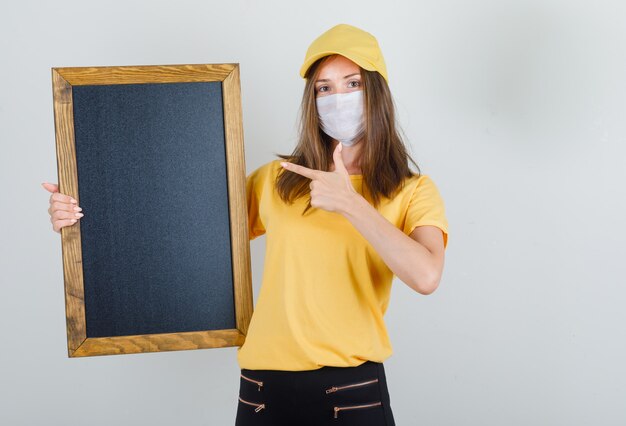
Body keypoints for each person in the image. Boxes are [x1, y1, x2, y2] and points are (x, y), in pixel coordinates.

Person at [42, 23, 448, 426]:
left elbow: (426, 275)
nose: (336, 98)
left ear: (376, 91)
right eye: (323, 88)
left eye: (352, 83)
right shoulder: (279, 179)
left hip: (351, 395)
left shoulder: (412, 190)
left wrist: (350, 204)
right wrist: (82, 209)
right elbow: (178, 223)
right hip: (262, 394)